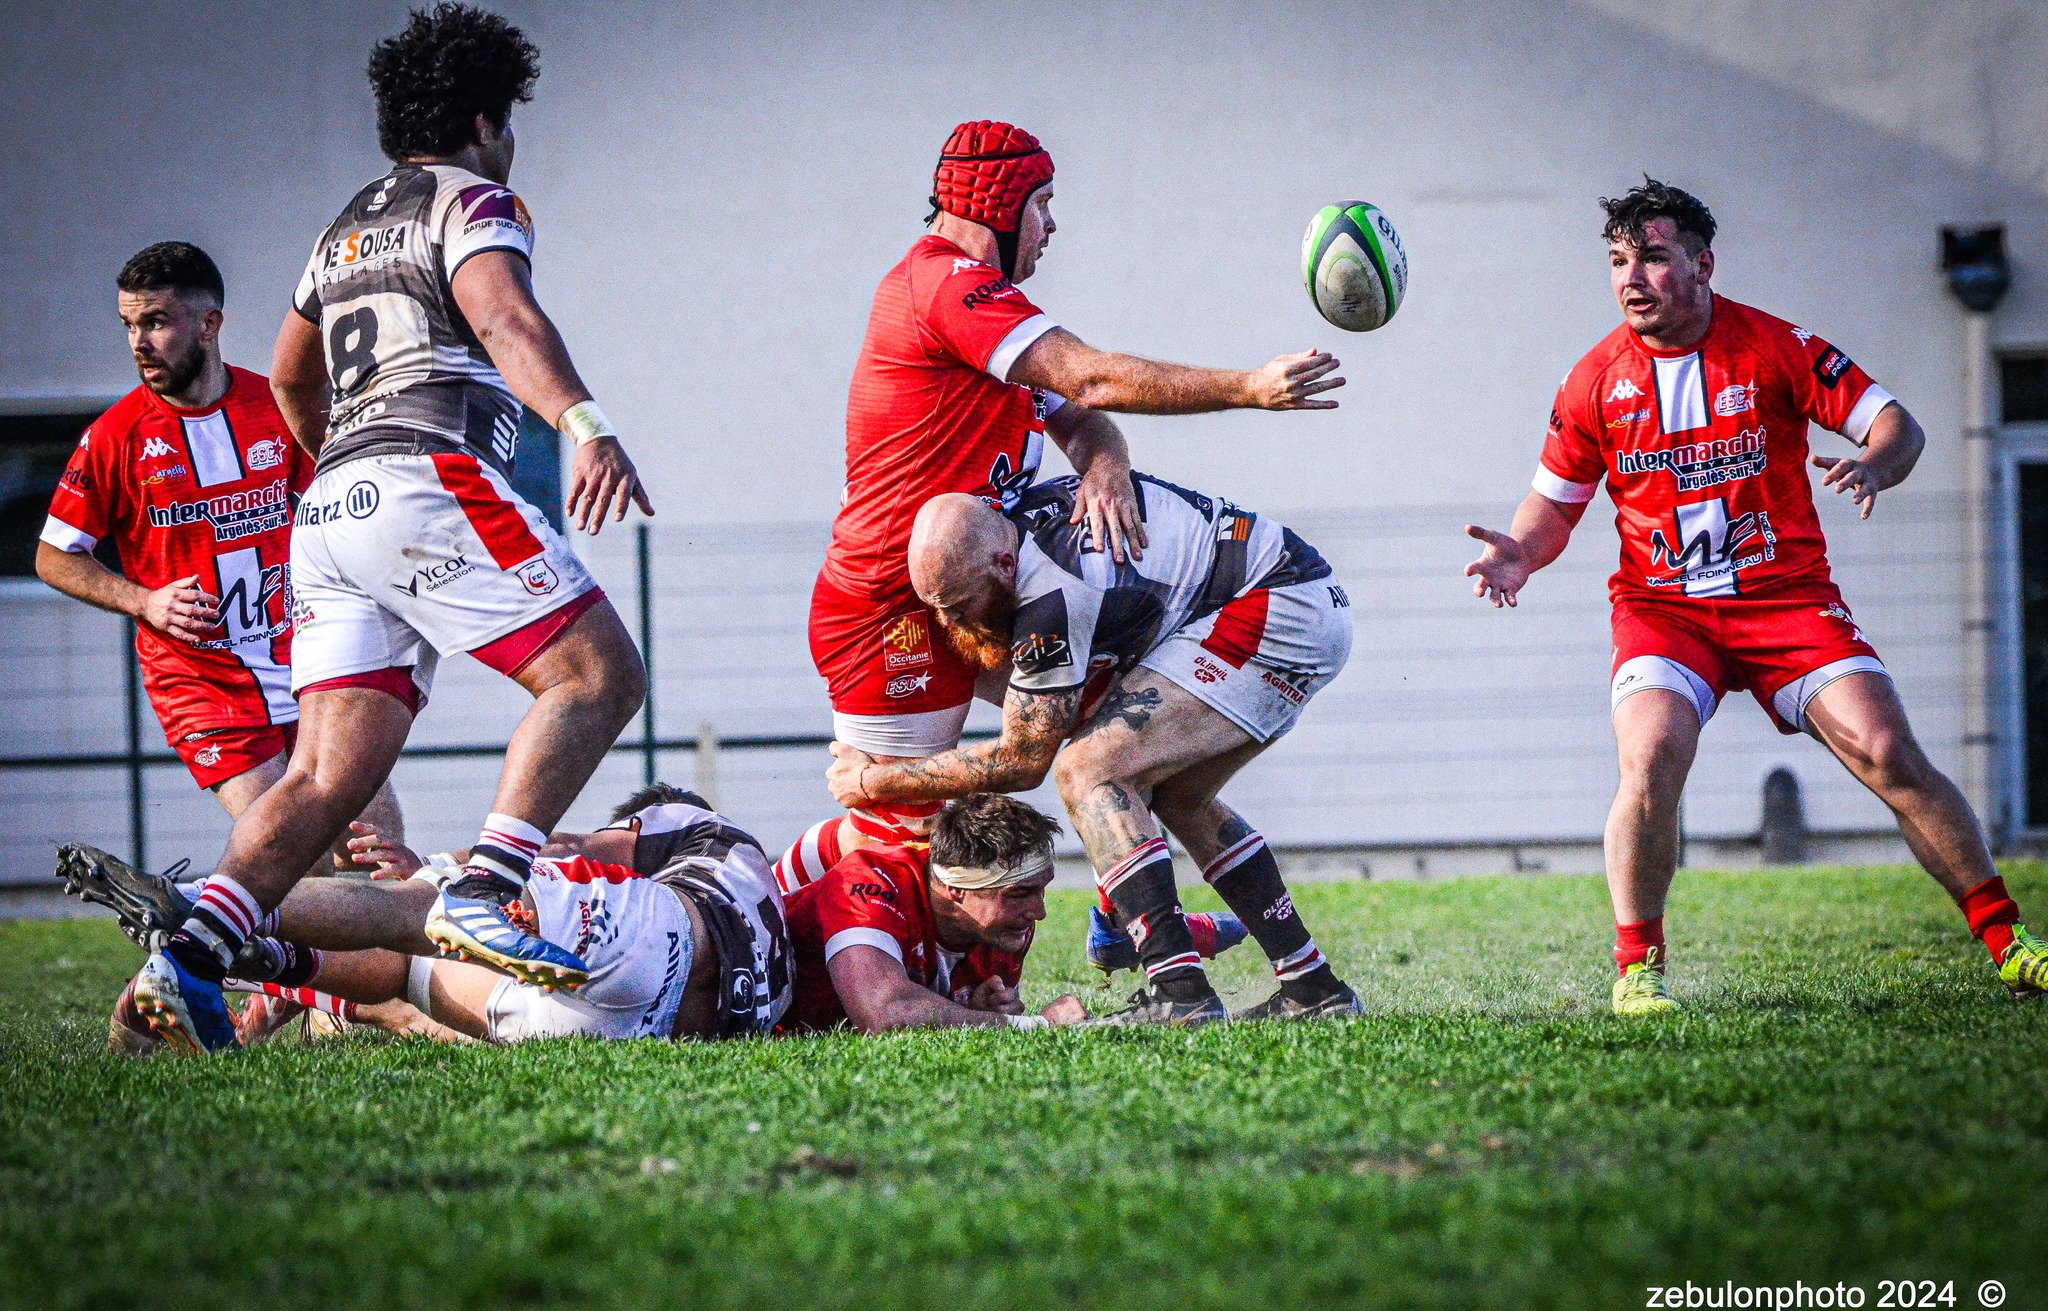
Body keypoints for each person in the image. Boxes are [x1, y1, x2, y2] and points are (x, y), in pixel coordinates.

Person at [130, 5, 655, 1053]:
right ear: (485, 119)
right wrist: (584, 425)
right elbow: (504, 316)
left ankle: (183, 959)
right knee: (600, 677)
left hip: (328, 509)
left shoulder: (340, 230)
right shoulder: (475, 198)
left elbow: (290, 372)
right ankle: (485, 891)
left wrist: (339, 466)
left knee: (326, 778)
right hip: (422, 474)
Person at [1462, 177, 2048, 1013]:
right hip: (1665, 612)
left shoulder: (1776, 347)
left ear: (1702, 265)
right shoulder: (1593, 379)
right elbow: (1554, 504)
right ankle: (1638, 970)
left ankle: (2010, 945)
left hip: (1786, 601)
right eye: (1619, 261)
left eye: (1652, 257)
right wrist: (1521, 553)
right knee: (1650, 757)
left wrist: (1875, 464)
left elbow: (1898, 426)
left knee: (1887, 750)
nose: (1632, 278)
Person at [788, 118, 1346, 887]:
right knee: (900, 835)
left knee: (1108, 739)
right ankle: (772, 910)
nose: (1052, 226)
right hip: (897, 603)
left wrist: (1106, 465)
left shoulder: (983, 311)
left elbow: (1080, 416)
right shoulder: (948, 287)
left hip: (985, 587)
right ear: (999, 204)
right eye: (1043, 204)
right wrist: (1247, 387)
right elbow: (1090, 377)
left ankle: (1134, 932)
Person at [35, 240, 401, 1054]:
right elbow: (54, 556)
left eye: (157, 322)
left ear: (210, 323)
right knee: (291, 853)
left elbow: (337, 507)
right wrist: (143, 599)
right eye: (130, 324)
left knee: (375, 847)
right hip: (203, 686)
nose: (140, 341)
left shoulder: (278, 406)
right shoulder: (115, 437)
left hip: (305, 661)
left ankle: (275, 1004)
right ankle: (162, 992)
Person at [825, 477, 1361, 1026]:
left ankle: (1180, 991)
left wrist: (872, 782)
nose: (948, 622)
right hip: (1289, 596)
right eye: (936, 608)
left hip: (1277, 604)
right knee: (1180, 798)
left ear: (1004, 566)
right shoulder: (1014, 532)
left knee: (1088, 770)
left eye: (959, 606)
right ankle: (1314, 988)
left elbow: (1023, 760)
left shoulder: (1052, 594)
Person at [61, 785, 791, 1049]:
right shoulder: (760, 890)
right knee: (412, 977)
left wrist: (436, 865)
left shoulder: (694, 825)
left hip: (663, 940)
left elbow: (566, 847)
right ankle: (275, 963)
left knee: (434, 910)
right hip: (664, 1028)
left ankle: (198, 906)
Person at [778, 794, 1087, 1033]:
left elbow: (945, 1020)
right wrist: (1036, 1025)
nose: (1039, 912)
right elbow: (884, 1014)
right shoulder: (869, 883)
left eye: (1041, 890)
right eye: (1020, 894)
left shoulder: (1004, 928)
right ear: (956, 888)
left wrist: (981, 1012)